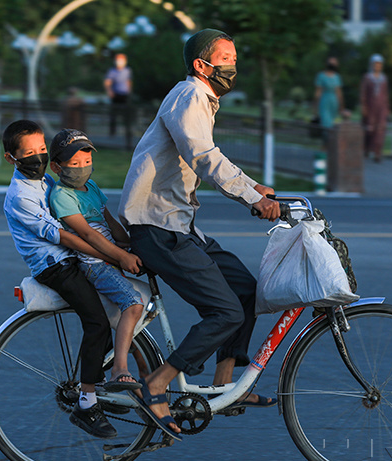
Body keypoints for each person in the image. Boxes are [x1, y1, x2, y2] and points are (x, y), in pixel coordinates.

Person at [117, 28, 281, 438]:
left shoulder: (202, 100)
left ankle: (225, 385)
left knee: (245, 289)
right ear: (202, 65)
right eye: (225, 57)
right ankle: (157, 383)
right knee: (224, 311)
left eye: (235, 58)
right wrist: (250, 197)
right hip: (156, 227)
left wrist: (254, 187)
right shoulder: (189, 96)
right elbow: (204, 157)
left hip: (180, 224)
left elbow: (212, 156)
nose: (233, 65)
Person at [1, 119, 117, 439]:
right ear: (12, 158)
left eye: (41, 149)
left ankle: (101, 383)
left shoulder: (47, 181)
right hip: (55, 266)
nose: (36, 157)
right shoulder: (19, 196)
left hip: (71, 258)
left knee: (114, 305)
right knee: (97, 322)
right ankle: (87, 404)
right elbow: (62, 235)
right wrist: (106, 252)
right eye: (29, 153)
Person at [47, 128, 145, 393]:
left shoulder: (91, 187)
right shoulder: (61, 196)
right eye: (75, 164)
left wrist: (131, 244)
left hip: (110, 257)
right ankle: (119, 369)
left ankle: (142, 364)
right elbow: (89, 234)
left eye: (87, 162)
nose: (83, 168)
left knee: (130, 313)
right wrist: (122, 256)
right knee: (133, 305)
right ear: (57, 167)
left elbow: (108, 222)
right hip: (95, 265)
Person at [313, 56, 350, 149]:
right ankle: (325, 145)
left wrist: (341, 106)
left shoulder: (337, 77)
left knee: (332, 125)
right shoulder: (321, 75)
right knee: (326, 124)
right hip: (324, 101)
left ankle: (328, 146)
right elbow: (318, 92)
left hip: (334, 102)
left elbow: (339, 92)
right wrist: (315, 105)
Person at [360, 53, 391, 163]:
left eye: (379, 64)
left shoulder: (384, 78)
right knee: (369, 130)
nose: (377, 66)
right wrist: (363, 106)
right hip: (370, 107)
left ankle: (378, 153)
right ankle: (366, 149)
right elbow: (363, 93)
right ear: (371, 65)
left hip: (381, 108)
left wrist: (387, 108)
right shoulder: (367, 77)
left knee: (380, 129)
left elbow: (386, 94)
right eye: (375, 64)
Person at [104, 53, 133, 149]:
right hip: (115, 95)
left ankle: (127, 134)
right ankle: (112, 133)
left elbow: (128, 81)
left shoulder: (127, 71)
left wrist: (129, 91)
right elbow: (108, 82)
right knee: (113, 115)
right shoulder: (112, 71)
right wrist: (110, 91)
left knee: (126, 116)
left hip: (124, 95)